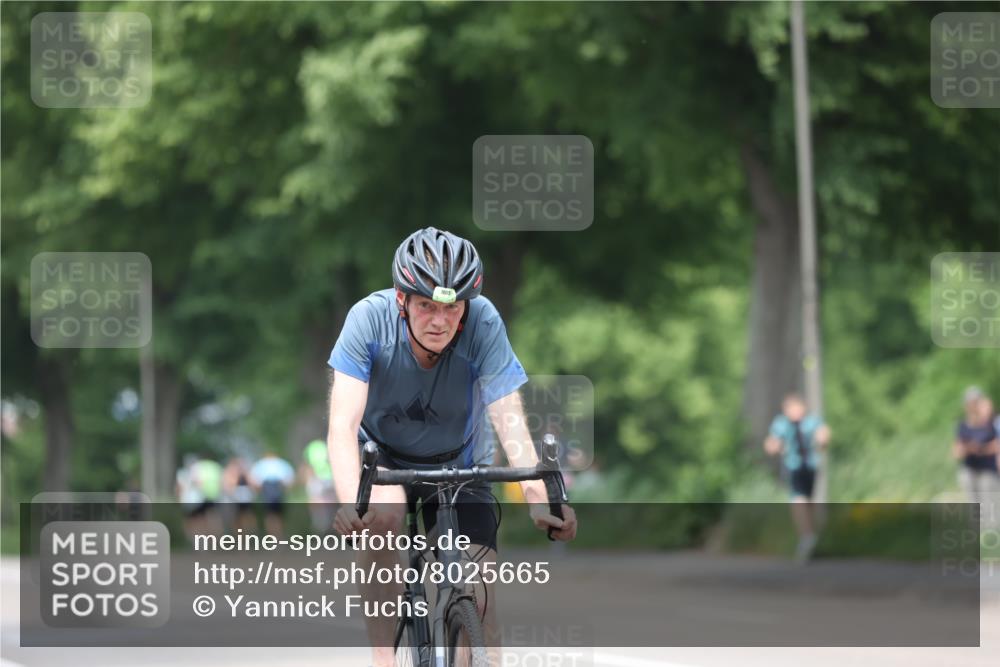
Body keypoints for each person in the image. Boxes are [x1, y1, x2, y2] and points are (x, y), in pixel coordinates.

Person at [327, 227, 577, 667]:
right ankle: (384, 658)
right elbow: (342, 425)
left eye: (452, 307)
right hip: (384, 458)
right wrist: (353, 502)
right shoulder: (367, 320)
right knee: (383, 517)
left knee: (481, 599)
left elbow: (509, 419)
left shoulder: (483, 322)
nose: (440, 321)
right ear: (402, 300)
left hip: (459, 461)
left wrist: (539, 499)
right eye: (426, 306)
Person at [763, 393, 831, 564]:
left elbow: (823, 434)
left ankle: (811, 537)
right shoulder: (781, 424)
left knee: (809, 502)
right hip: (794, 467)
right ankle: (806, 537)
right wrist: (774, 446)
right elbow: (771, 442)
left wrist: (823, 440)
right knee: (798, 500)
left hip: (810, 467)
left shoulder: (811, 422)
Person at [952, 387, 1000, 526]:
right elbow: (956, 451)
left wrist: (981, 449)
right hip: (971, 467)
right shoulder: (963, 425)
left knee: (987, 488)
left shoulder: (992, 421)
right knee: (966, 480)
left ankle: (992, 526)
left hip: (989, 468)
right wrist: (966, 449)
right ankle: (978, 525)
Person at [249, 452, 295, 537]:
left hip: (276, 488)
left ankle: (278, 535)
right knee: (271, 514)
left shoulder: (278, 463)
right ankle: (274, 535)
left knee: (276, 514)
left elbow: (289, 478)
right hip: (268, 489)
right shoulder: (264, 464)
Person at [300, 438, 337, 533]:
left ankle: (321, 526)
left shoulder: (310, 448)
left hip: (317, 478)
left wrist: (307, 481)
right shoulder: (326, 445)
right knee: (330, 503)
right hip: (329, 478)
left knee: (317, 502)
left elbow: (307, 465)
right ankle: (330, 525)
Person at [222, 456, 256, 533]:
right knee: (235, 518)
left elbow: (253, 485)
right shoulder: (229, 473)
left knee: (247, 517)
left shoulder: (246, 473)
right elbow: (228, 487)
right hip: (234, 500)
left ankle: (248, 534)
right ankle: (238, 535)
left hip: (246, 499)